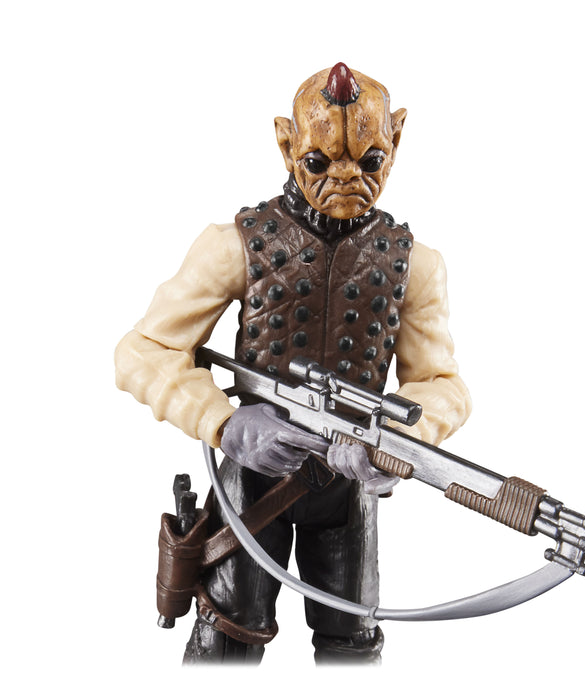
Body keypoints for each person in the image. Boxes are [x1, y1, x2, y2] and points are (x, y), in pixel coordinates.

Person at [115, 63, 471, 664]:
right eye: (318, 162)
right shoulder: (236, 244)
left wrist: (401, 440)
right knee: (225, 639)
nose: (345, 179)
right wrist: (224, 422)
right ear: (286, 143)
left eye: (370, 160)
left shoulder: (415, 264)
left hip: (349, 484)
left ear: (397, 139)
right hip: (253, 481)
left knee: (353, 650)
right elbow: (142, 351)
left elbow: (442, 385)